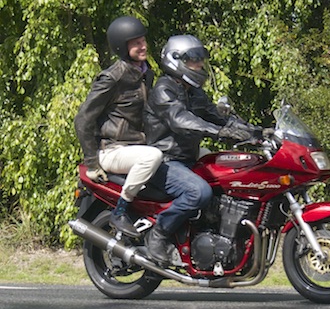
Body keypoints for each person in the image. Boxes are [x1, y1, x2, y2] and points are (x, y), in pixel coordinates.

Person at [144, 34, 255, 266]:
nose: (199, 65)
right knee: (199, 193)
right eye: (193, 60)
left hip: (188, 160)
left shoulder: (194, 92)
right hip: (165, 161)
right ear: (176, 60)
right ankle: (159, 234)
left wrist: (257, 133)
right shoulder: (164, 90)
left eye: (200, 60)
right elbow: (180, 119)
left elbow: (217, 117)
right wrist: (218, 132)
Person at [74, 16, 163, 238]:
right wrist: (92, 163)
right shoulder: (112, 77)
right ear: (122, 47)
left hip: (136, 147)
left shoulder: (145, 73)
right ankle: (120, 211)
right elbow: (83, 119)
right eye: (136, 43)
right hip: (112, 150)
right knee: (152, 157)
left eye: (143, 41)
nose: (143, 46)